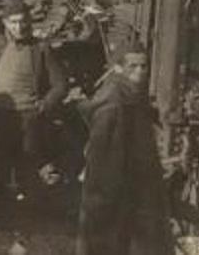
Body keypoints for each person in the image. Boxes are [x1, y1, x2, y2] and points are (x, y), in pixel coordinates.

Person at [0, 0, 66, 231]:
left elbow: (60, 85)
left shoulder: (40, 49)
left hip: (29, 117)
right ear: (5, 23)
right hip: (0, 117)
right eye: (13, 22)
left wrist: (43, 106)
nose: (19, 27)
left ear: (29, 21)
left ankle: (25, 223)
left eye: (22, 21)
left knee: (27, 169)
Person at [77, 42, 169, 255]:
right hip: (115, 188)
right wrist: (105, 195)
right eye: (132, 66)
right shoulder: (114, 103)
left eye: (144, 66)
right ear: (117, 68)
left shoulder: (133, 96)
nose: (139, 72)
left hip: (129, 185)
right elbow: (103, 154)